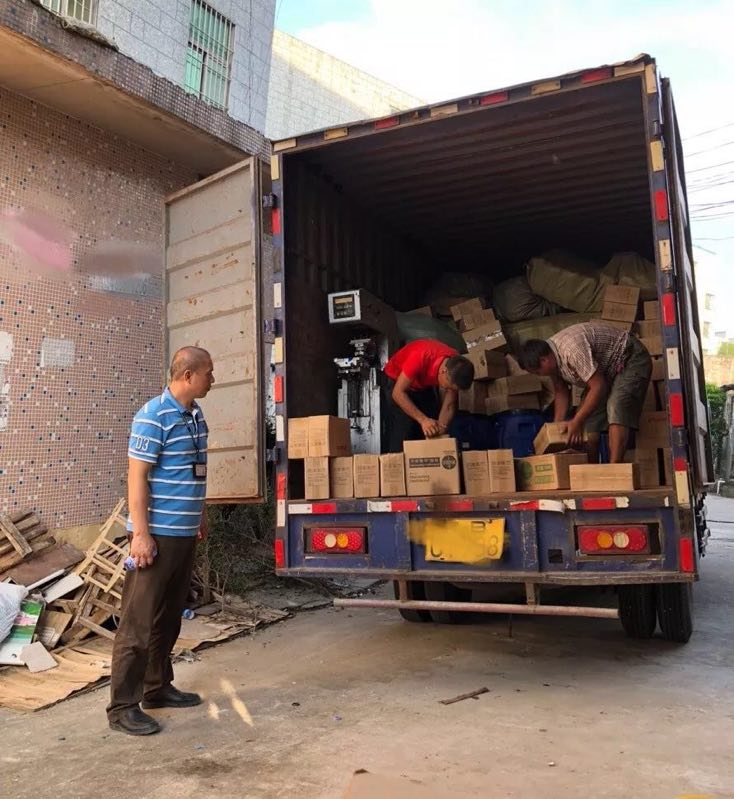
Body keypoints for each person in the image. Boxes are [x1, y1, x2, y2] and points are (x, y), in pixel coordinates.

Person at [107, 346, 214, 736]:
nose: (212, 379)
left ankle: (156, 688)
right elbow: (136, 477)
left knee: (168, 618)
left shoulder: (195, 416)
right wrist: (140, 534)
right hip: (156, 536)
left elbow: (193, 472)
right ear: (187, 375)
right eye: (208, 373)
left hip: (183, 534)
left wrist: (200, 514)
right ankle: (122, 707)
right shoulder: (153, 415)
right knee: (138, 623)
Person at [518, 322, 651, 464]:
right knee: (587, 422)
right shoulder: (551, 357)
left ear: (544, 360)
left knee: (616, 406)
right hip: (605, 370)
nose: (540, 375)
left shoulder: (572, 351)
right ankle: (590, 470)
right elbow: (560, 390)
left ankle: (615, 468)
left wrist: (576, 421)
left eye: (538, 372)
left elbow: (598, 387)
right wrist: (556, 428)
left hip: (629, 358)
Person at [383, 338, 474, 453]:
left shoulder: (457, 366)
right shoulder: (420, 356)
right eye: (449, 387)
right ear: (444, 371)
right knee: (406, 427)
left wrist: (441, 429)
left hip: (422, 384)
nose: (450, 390)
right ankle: (396, 461)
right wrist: (423, 420)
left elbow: (449, 405)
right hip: (397, 381)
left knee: (432, 426)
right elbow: (397, 393)